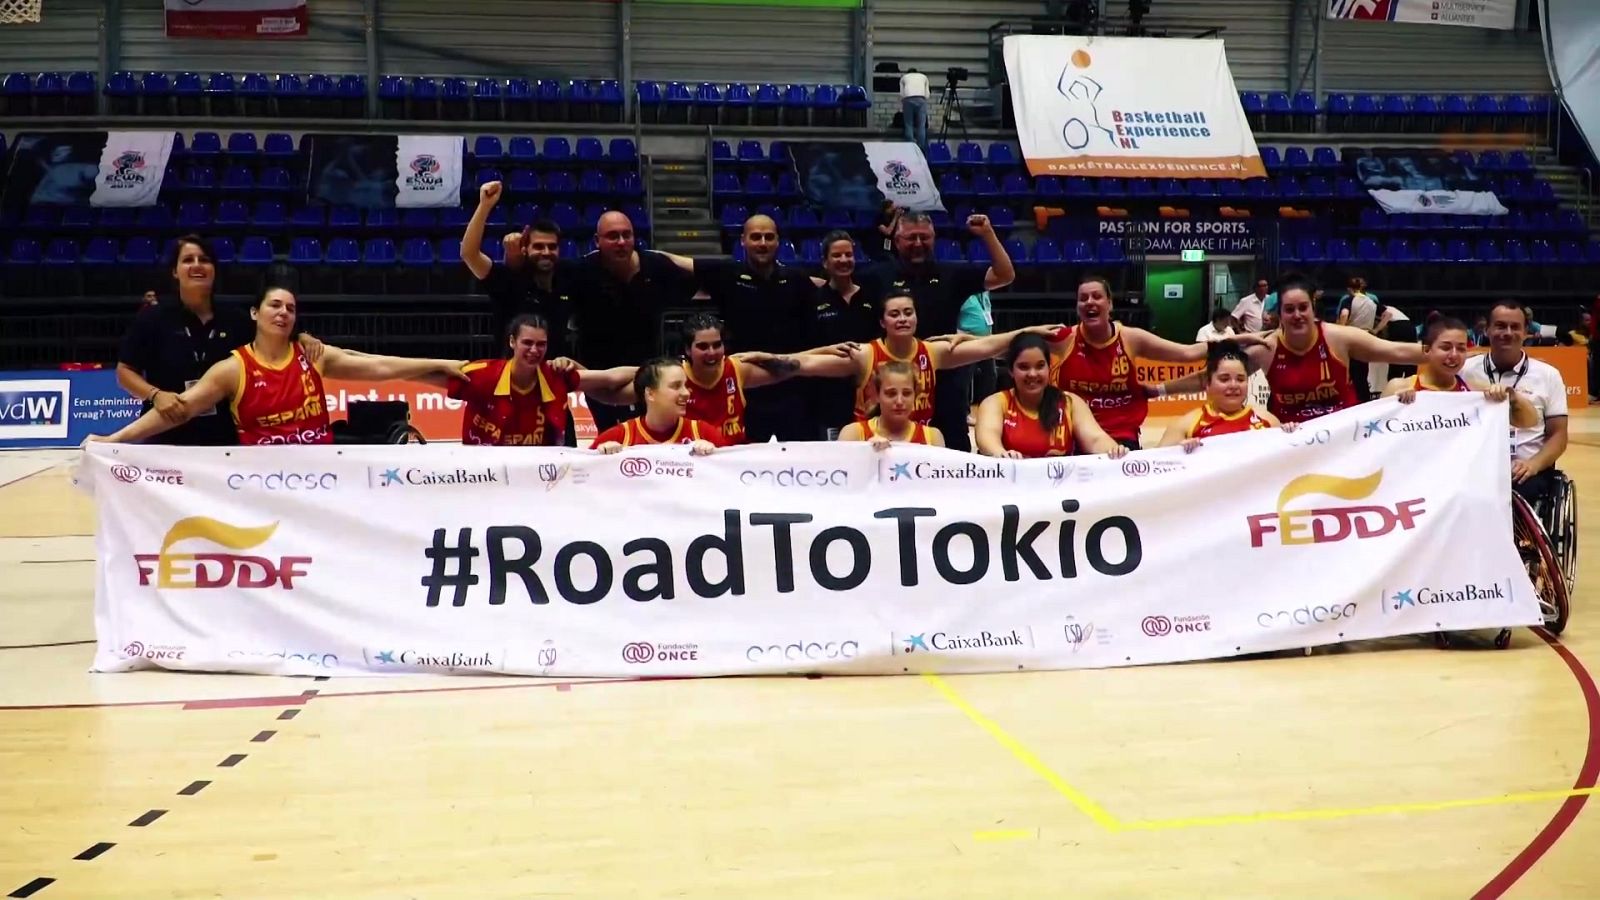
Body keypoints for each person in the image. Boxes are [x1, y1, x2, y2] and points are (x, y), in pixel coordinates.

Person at [94, 287, 465, 445]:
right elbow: (180, 410)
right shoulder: (233, 369)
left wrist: (441, 364)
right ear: (255, 313)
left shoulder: (311, 355)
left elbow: (382, 367)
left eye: (290, 308)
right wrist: (114, 440)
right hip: (266, 482)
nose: (284, 312)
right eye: (275, 305)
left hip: (321, 473)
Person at [116, 235, 320, 446]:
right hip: (165, 432)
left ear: (214, 269)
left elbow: (273, 335)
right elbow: (124, 372)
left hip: (223, 439)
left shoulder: (236, 320)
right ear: (175, 271)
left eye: (204, 260)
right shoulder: (153, 317)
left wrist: (302, 336)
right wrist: (155, 395)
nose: (197, 265)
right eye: (188, 260)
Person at [1156, 275, 1423, 424]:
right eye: (1289, 309)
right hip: (1288, 440)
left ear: (1313, 309)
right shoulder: (1267, 348)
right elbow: (1212, 376)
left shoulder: (1339, 338)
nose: (1297, 315)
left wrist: (1447, 353)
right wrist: (1158, 390)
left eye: (1303, 308)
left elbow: (1398, 351)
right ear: (1279, 314)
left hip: (1343, 435)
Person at [773, 292, 1060, 431]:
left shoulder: (931, 352)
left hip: (918, 444)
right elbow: (802, 365)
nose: (902, 319)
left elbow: (987, 346)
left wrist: (1028, 332)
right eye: (895, 314)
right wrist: (759, 359)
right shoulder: (864, 354)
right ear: (882, 321)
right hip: (871, 444)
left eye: (908, 312)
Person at [858, 210, 1016, 452]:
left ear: (934, 238)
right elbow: (835, 285)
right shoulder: (878, 274)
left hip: (946, 376)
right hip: (894, 377)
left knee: (954, 446)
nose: (918, 243)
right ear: (897, 241)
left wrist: (987, 233)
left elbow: (1005, 275)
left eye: (924, 237)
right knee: (890, 449)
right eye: (911, 238)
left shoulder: (951, 273)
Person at [1047, 274, 1260, 451]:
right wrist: (1030, 331)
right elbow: (1016, 346)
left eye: (1096, 297)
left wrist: (1241, 339)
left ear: (1109, 304)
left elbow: (1187, 353)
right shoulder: (1064, 338)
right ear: (1077, 307)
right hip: (1074, 432)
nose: (1090, 302)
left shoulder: (1131, 338)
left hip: (1121, 436)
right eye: (1083, 298)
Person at [660, 215, 818, 441]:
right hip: (745, 392)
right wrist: (640, 253)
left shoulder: (798, 280)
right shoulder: (727, 274)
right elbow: (680, 262)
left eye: (768, 237)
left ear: (777, 241)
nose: (762, 243)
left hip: (792, 388)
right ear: (742, 241)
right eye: (755, 237)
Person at [566, 210, 697, 432]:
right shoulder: (581, 272)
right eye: (613, 236)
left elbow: (701, 277)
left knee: (651, 439)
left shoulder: (656, 266)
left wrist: (672, 258)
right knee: (607, 442)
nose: (621, 242)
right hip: (599, 377)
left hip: (647, 374)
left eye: (627, 235)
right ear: (597, 241)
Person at [445, 314, 634, 447]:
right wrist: (440, 363)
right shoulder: (482, 375)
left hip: (539, 475)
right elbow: (427, 375)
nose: (534, 350)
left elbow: (610, 377)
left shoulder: (555, 374)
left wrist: (658, 371)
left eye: (541, 344)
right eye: (527, 343)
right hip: (487, 473)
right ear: (512, 342)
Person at [1470, 301, 1570, 502]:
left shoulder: (1548, 375)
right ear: (1487, 330)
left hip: (1525, 472)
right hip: (1476, 467)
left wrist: (1533, 464)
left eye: (1515, 327)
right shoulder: (1465, 370)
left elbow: (1558, 435)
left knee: (1520, 493)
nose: (1507, 332)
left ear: (1526, 332)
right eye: (1500, 326)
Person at [975, 333, 1127, 459]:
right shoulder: (995, 403)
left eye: (1040, 366)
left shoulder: (1070, 403)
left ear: (1049, 368)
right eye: (1023, 367)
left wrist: (1114, 450)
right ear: (1010, 371)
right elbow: (987, 439)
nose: (1032, 374)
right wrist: (1001, 454)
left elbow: (1095, 439)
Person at [807, 231, 881, 436]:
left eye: (848, 254)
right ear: (825, 262)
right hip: (827, 398)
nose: (844, 260)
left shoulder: (871, 297)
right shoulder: (813, 300)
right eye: (837, 255)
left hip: (870, 396)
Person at [1158, 340, 1291, 451]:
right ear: (1208, 384)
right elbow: (1156, 467)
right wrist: (1178, 453)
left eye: (1240, 379)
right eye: (1224, 379)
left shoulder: (1268, 421)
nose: (1233, 385)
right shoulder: (1185, 425)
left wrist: (1292, 434)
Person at [590, 358, 721, 455]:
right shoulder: (619, 437)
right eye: (676, 386)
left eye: (685, 385)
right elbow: (580, 473)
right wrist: (601, 457)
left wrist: (715, 456)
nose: (686, 393)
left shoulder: (704, 433)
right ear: (650, 393)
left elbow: (733, 472)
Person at [836, 362, 945, 448]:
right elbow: (840, 473)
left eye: (907, 393)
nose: (899, 401)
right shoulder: (853, 434)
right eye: (891, 394)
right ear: (877, 395)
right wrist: (866, 451)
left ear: (915, 395)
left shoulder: (933, 437)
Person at [1335, 276, 1380, 401]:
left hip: (1352, 337)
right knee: (1363, 374)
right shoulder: (1372, 300)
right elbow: (1387, 314)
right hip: (1366, 338)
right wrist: (1376, 330)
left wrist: (1339, 330)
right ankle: (1365, 402)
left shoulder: (1349, 299)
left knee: (1350, 374)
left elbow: (1344, 314)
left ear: (1349, 289)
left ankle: (1350, 401)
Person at [899, 68, 930, 150]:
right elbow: (927, 94)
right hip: (921, 99)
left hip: (908, 99)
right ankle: (920, 148)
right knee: (921, 125)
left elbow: (902, 94)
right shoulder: (924, 77)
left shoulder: (904, 77)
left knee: (909, 124)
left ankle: (911, 146)